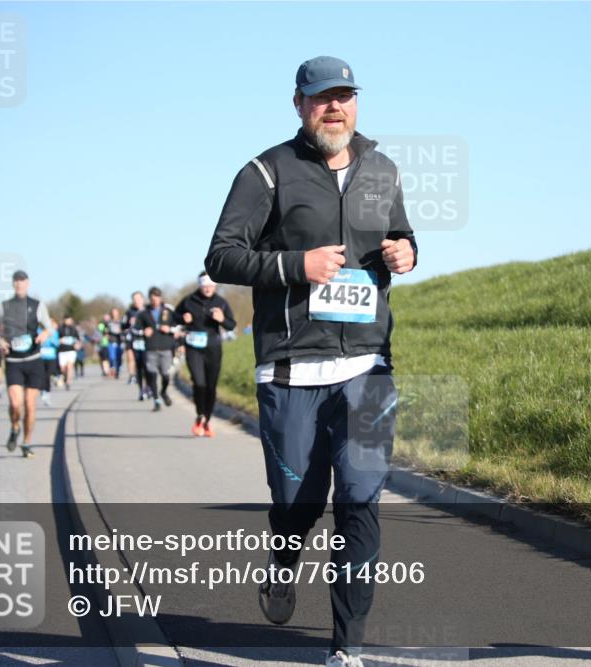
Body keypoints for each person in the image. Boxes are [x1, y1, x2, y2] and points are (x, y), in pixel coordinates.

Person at [206, 56, 417, 667]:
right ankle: (284, 556)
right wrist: (295, 267)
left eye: (345, 96)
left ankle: (347, 648)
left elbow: (399, 236)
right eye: (323, 97)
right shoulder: (265, 172)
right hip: (292, 368)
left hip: (369, 368)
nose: (336, 107)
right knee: (297, 501)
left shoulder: (382, 169)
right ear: (299, 104)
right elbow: (221, 256)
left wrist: (406, 252)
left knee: (360, 500)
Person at [0, 270, 53, 458]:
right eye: (16, 281)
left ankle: (26, 442)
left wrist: (45, 334)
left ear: (28, 283)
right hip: (13, 361)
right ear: (13, 284)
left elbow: (49, 327)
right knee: (15, 403)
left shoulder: (37, 305)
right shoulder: (4, 306)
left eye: (23, 281)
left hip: (33, 360)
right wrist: (0, 342)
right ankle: (14, 427)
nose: (19, 284)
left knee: (30, 404)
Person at [175, 272, 236, 436]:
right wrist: (182, 318)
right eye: (205, 285)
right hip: (194, 348)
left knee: (211, 386)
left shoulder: (221, 302)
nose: (208, 288)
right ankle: (200, 414)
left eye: (211, 285)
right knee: (198, 382)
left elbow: (231, 325)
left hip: (213, 348)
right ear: (200, 285)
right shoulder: (189, 300)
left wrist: (222, 319)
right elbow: (174, 317)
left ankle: (207, 420)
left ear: (215, 286)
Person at [135, 287, 176, 412]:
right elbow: (135, 329)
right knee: (151, 375)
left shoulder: (168, 311)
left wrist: (170, 329)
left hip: (166, 347)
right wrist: (143, 332)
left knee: (165, 375)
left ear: (161, 298)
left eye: (157, 298)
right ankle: (156, 400)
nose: (155, 301)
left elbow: (179, 327)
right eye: (152, 299)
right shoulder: (143, 313)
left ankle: (163, 391)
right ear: (150, 299)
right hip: (150, 348)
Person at [124, 291, 149, 399]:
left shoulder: (148, 310)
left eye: (138, 299)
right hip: (133, 340)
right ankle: (141, 390)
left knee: (147, 366)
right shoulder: (129, 312)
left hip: (147, 340)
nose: (137, 301)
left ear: (143, 299)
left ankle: (148, 387)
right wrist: (129, 323)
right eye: (135, 300)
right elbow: (122, 325)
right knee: (138, 365)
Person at [57, 316, 81, 390]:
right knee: (62, 368)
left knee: (69, 366)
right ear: (64, 320)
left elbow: (78, 339)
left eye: (70, 320)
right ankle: (65, 377)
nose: (68, 322)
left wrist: (78, 345)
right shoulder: (60, 329)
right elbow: (56, 338)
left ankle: (68, 382)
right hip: (62, 351)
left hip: (71, 350)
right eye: (67, 320)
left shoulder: (74, 329)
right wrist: (59, 340)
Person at [39, 323, 60, 406]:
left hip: (51, 356)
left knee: (48, 374)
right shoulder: (38, 331)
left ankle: (47, 391)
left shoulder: (54, 332)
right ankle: (44, 392)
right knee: (43, 375)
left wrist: (49, 338)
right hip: (40, 356)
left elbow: (56, 343)